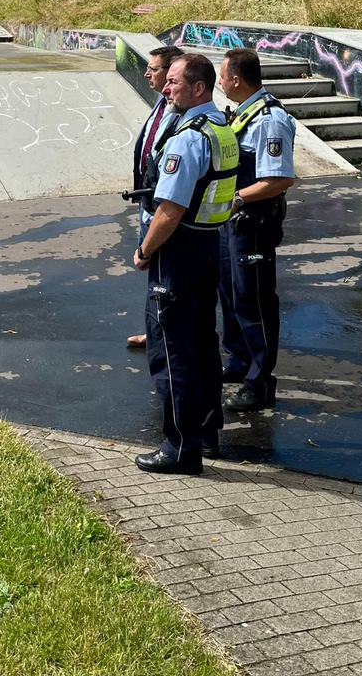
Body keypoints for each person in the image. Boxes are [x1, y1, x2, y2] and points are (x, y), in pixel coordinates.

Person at [132, 54, 238, 476]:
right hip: (209, 245)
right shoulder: (221, 128)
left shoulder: (189, 137)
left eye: (173, 82)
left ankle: (180, 447)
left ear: (198, 88)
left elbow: (169, 210)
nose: (165, 88)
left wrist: (144, 251)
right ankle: (207, 433)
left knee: (172, 350)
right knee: (202, 345)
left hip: (177, 250)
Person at [218, 47, 297, 412]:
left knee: (255, 302)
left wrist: (234, 199)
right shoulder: (244, 113)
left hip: (253, 223)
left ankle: (260, 382)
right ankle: (238, 362)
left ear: (236, 79)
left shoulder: (269, 120)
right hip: (233, 223)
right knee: (232, 295)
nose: (218, 82)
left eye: (221, 76)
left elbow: (279, 179)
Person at [126, 45, 184, 348]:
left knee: (166, 278)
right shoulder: (162, 103)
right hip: (150, 201)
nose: (147, 73)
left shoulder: (182, 114)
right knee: (157, 279)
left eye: (154, 69)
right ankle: (157, 333)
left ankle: (166, 338)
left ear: (172, 71)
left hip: (165, 205)